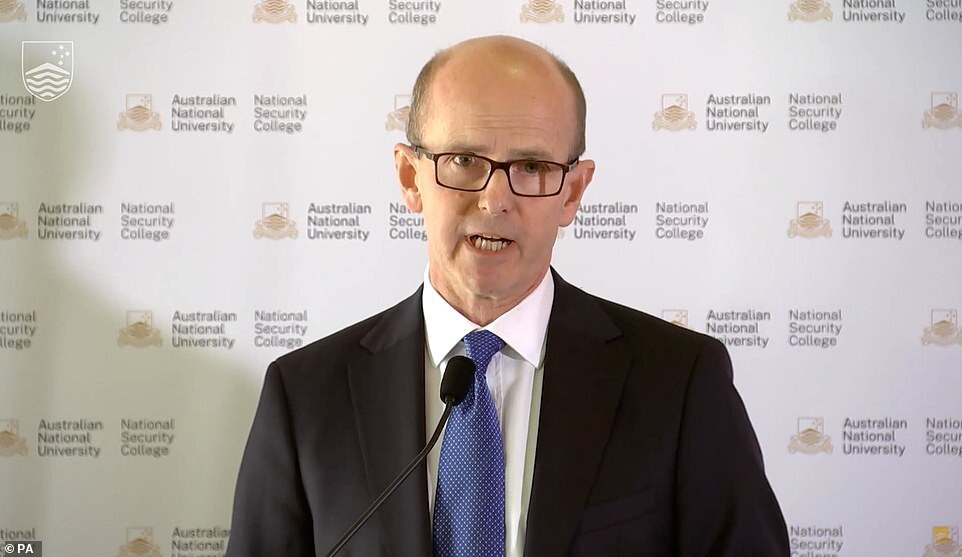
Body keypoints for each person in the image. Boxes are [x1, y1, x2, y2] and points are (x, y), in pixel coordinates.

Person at [225, 35, 790, 556]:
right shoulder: (306, 396)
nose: (495, 200)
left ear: (573, 192)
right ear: (409, 177)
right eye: (464, 161)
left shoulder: (680, 383)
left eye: (533, 166)